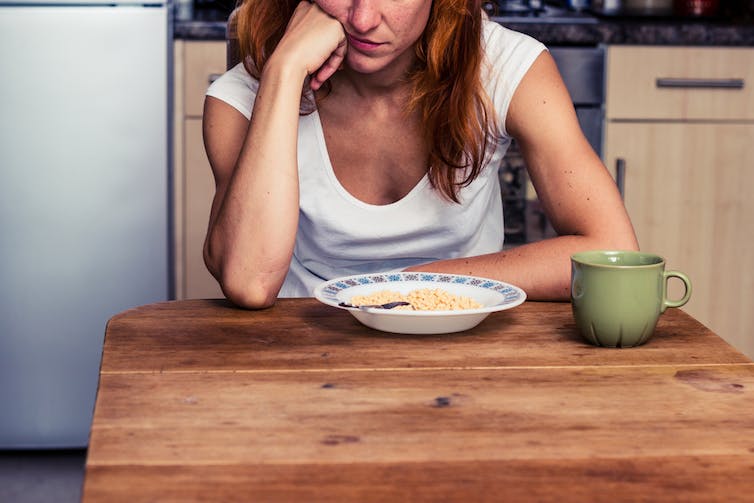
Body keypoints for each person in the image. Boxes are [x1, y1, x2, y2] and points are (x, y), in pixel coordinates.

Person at [202, 0, 638, 309]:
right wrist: (284, 70)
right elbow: (249, 284)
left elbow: (611, 250)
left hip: (461, 330)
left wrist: (413, 287)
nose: (364, 18)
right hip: (302, 341)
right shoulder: (240, 98)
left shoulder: (505, 65)